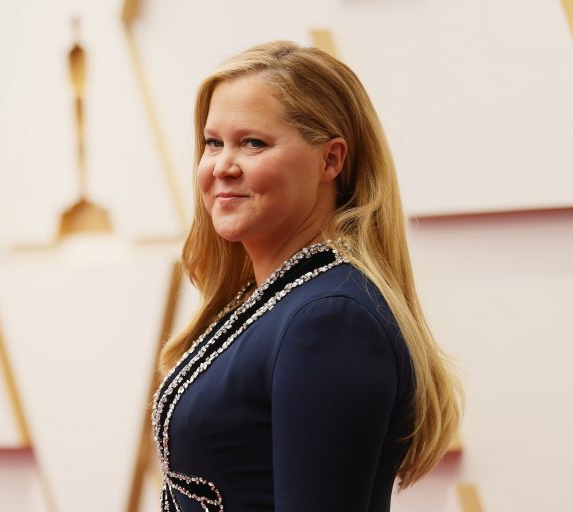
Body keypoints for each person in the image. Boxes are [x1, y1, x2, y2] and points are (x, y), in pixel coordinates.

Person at [151, 41, 462, 511]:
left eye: (253, 143)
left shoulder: (329, 320)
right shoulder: (275, 300)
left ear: (331, 160)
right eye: (213, 143)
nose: (223, 167)